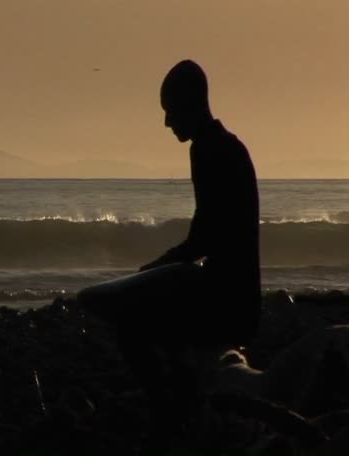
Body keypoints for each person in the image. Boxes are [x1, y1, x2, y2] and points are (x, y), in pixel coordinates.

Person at [79, 58, 261, 350]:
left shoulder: (208, 150)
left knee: (121, 317)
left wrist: (155, 268)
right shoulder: (227, 145)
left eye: (170, 110)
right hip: (243, 298)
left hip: (226, 300)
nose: (166, 122)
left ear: (189, 103)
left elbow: (202, 240)